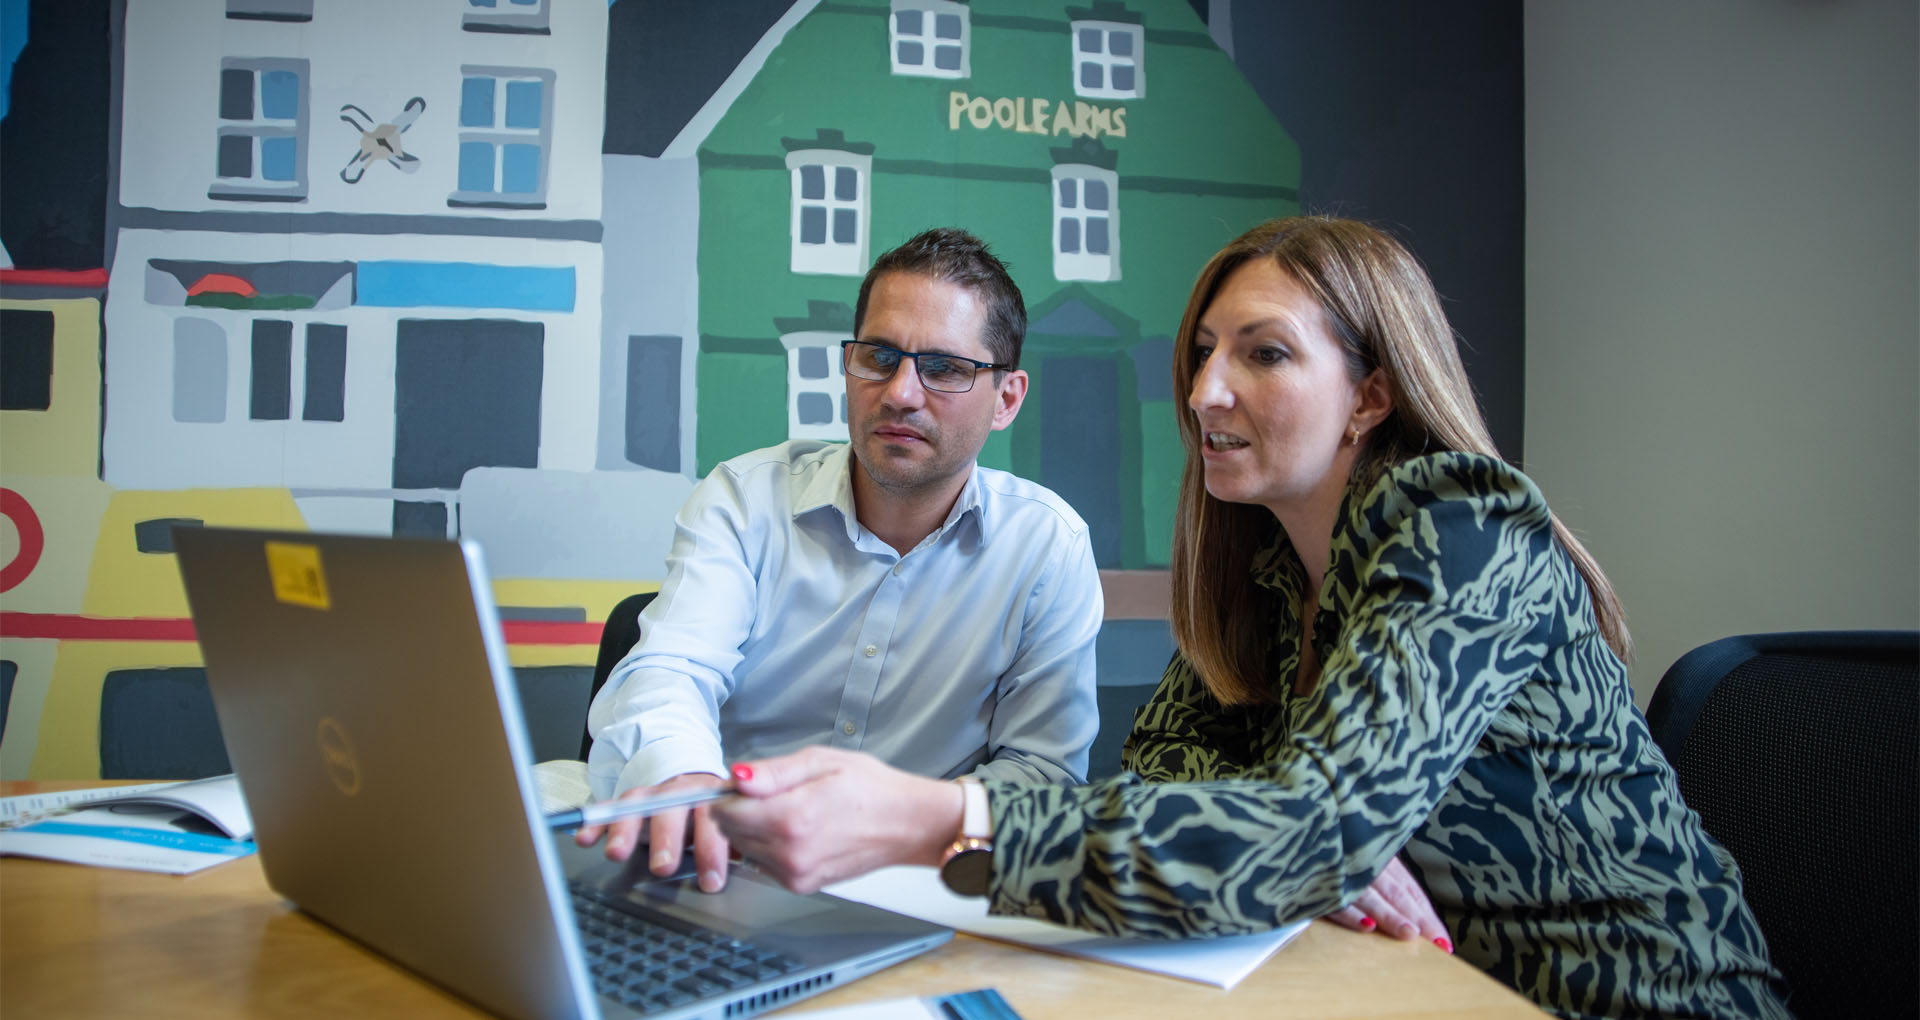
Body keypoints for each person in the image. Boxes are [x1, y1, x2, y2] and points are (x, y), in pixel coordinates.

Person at [704, 217, 1792, 1020]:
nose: (1205, 392)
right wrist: (1312, 842)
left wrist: (933, 819)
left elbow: (1297, 833)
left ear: (1369, 394)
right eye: (1202, 353)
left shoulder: (1462, 526)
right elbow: (1168, 774)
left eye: (1263, 355)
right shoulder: (1265, 570)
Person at [578, 227, 1104, 891]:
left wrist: (902, 834)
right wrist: (684, 778)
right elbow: (670, 671)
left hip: (913, 887)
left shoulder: (1048, 548)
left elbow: (1040, 777)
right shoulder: (744, 500)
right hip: (715, 866)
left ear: (1007, 398)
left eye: (943, 368)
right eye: (879, 357)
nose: (900, 394)